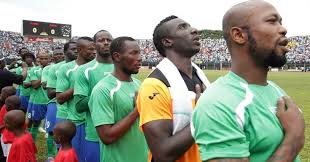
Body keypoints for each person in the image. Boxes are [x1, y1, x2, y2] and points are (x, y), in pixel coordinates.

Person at [191, 1, 305, 162]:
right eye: (272, 21)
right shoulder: (217, 104)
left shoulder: (275, 89)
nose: (283, 29)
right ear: (239, 35)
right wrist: (293, 140)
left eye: (281, 22)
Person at [136, 15, 209, 162]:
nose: (194, 30)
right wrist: (201, 115)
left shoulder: (201, 78)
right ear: (167, 41)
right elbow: (163, 154)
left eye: (189, 25)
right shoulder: (154, 86)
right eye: (183, 27)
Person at [89, 36, 148, 162]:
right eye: (133, 53)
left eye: (139, 53)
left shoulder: (140, 85)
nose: (140, 58)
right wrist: (137, 110)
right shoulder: (103, 90)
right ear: (117, 57)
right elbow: (106, 137)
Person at [74, 30, 114, 162]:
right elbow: (79, 105)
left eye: (109, 40)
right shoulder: (85, 70)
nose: (106, 43)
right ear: (94, 44)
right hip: (95, 134)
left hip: (123, 134)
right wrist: (103, 95)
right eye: (101, 40)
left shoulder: (123, 66)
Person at [56, 37, 96, 162]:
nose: (95, 52)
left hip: (95, 123)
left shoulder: (97, 68)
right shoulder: (66, 69)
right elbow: (60, 98)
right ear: (79, 50)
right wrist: (79, 85)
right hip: (77, 123)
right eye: (91, 49)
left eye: (95, 49)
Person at [45, 45, 71, 161]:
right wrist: (66, 91)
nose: (59, 56)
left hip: (71, 107)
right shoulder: (52, 68)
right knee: (53, 132)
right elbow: (50, 93)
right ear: (53, 57)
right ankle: (51, 155)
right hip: (54, 103)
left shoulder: (80, 66)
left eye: (60, 54)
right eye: (56, 54)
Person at [28, 52, 50, 141]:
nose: (43, 60)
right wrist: (44, 75)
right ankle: (32, 143)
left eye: (45, 58)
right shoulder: (34, 70)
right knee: (35, 122)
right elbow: (34, 85)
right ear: (38, 59)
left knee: (51, 125)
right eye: (41, 58)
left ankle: (50, 153)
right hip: (38, 101)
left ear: (49, 59)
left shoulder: (54, 69)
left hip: (51, 101)